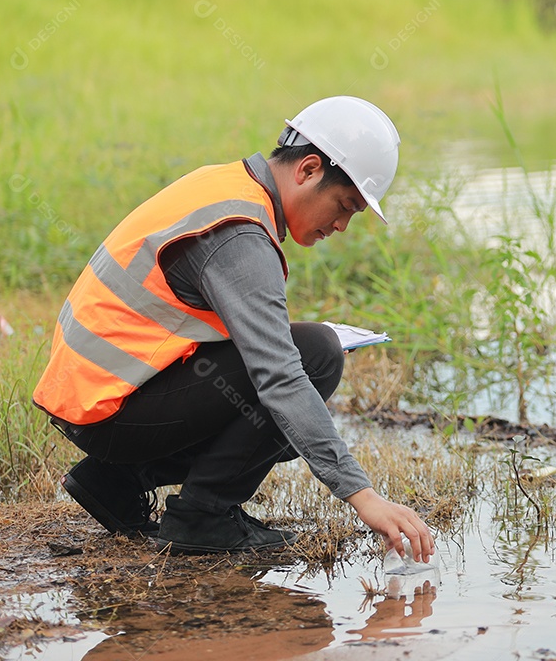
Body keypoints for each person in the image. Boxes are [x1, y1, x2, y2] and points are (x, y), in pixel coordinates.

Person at [32, 96, 433, 561]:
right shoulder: (240, 235)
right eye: (344, 205)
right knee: (316, 355)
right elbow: (279, 376)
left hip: (94, 396)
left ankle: (117, 481)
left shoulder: (225, 185)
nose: (342, 225)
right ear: (307, 170)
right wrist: (364, 497)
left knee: (297, 370)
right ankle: (201, 519)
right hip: (108, 410)